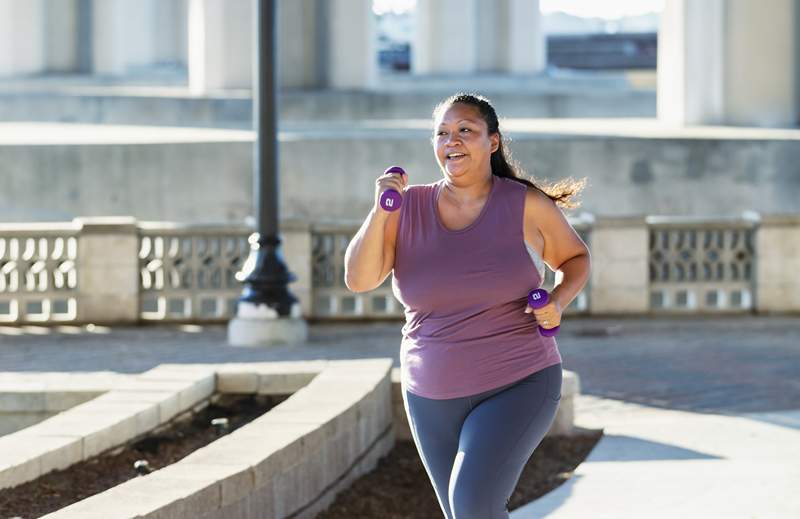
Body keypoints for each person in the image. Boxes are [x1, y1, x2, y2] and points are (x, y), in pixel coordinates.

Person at [344, 92, 590, 518]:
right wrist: (381, 211)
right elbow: (359, 280)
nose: (451, 141)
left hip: (519, 381)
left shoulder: (524, 204)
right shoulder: (407, 207)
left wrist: (558, 301)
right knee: (466, 513)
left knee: (472, 506)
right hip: (429, 393)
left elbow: (575, 259)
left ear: (492, 142)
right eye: (441, 133)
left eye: (465, 131)